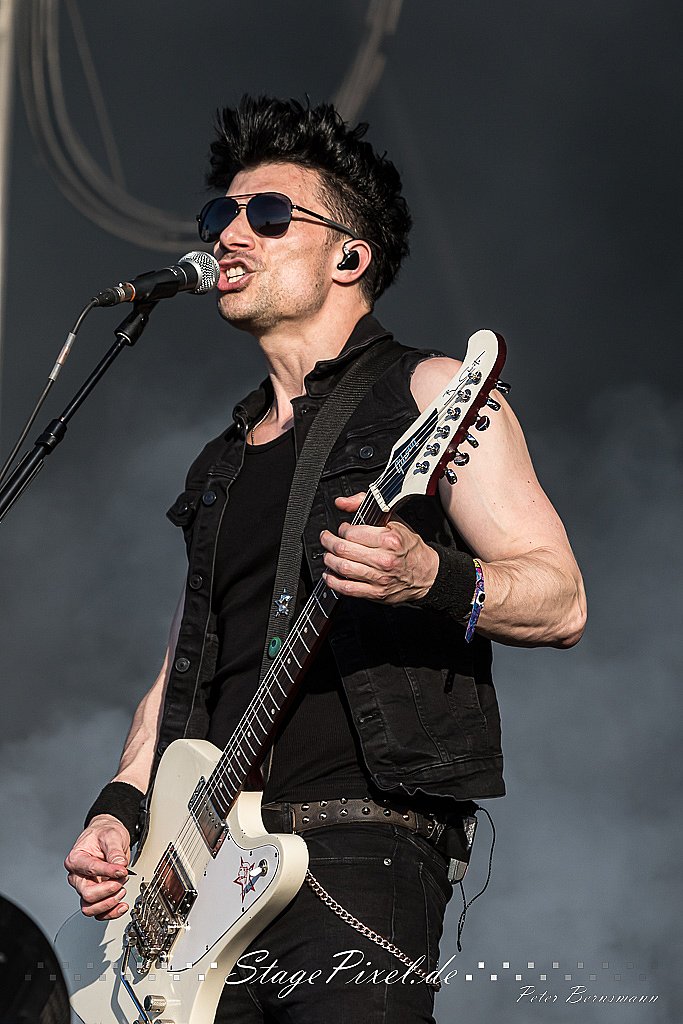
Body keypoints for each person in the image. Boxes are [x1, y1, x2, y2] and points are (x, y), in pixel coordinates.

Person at [64, 96, 586, 1023]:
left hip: (357, 849)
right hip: (201, 884)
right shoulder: (221, 462)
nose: (230, 234)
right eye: (220, 214)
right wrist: (122, 803)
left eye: (268, 215)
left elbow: (560, 599)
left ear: (350, 257)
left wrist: (430, 578)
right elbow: (185, 664)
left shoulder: (429, 392)